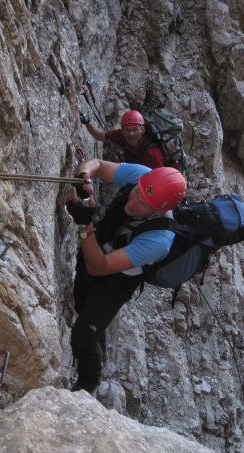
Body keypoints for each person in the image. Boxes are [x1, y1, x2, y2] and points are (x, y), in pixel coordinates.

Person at [66, 158, 187, 393]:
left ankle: (86, 388)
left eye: (142, 205)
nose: (133, 203)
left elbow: (99, 267)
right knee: (81, 303)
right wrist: (84, 177)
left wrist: (84, 225)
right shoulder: (144, 177)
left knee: (83, 333)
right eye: (135, 193)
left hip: (119, 280)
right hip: (100, 244)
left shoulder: (159, 240)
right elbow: (97, 165)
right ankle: (96, 334)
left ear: (159, 209)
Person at [79, 109, 165, 169]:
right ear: (122, 130)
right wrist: (87, 122)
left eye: (135, 129)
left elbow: (160, 179)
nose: (131, 134)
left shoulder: (152, 154)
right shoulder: (121, 134)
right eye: (127, 129)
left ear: (143, 130)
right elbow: (99, 135)